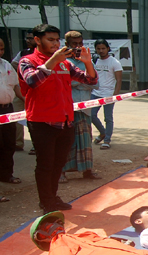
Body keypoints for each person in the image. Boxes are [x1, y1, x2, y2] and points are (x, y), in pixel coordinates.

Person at [18, 24, 97, 214]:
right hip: (42, 122)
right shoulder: (27, 61)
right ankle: (46, 202)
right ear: (37, 40)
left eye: (57, 40)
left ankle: (52, 197)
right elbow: (32, 82)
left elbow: (90, 80)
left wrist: (87, 63)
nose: (55, 44)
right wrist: (53, 60)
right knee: (45, 164)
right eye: (50, 40)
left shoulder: (65, 63)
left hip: (65, 120)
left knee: (58, 163)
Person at [60, 31, 101, 183]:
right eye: (74, 43)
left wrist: (77, 82)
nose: (77, 46)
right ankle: (62, 172)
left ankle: (87, 170)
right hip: (67, 107)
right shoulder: (63, 62)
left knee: (85, 139)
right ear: (67, 45)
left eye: (80, 43)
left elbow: (96, 83)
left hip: (85, 108)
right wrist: (83, 82)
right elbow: (64, 83)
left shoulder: (87, 60)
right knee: (66, 140)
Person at [90, 39, 122, 150]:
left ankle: (107, 140)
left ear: (108, 48)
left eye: (103, 48)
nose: (101, 51)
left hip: (109, 94)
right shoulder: (94, 61)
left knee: (108, 118)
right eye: (98, 49)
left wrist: (115, 95)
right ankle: (102, 132)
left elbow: (119, 80)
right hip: (95, 93)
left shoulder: (114, 62)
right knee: (91, 115)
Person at [0, 37, 24, 185]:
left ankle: (7, 174)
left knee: (9, 144)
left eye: (2, 48)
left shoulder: (7, 65)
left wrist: (27, 101)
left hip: (8, 110)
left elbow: (15, 86)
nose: (0, 51)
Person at [11, 31, 35, 153]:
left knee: (34, 120)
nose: (28, 40)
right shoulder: (23, 53)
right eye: (27, 38)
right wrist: (23, 70)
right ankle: (18, 143)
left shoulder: (42, 54)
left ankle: (35, 144)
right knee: (16, 117)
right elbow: (13, 63)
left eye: (30, 38)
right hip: (20, 90)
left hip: (35, 92)